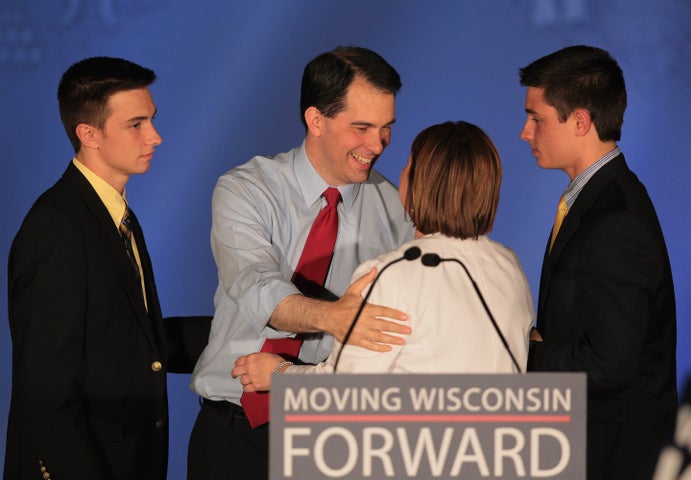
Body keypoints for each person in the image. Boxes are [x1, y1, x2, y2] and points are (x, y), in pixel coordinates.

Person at [187, 46, 415, 479]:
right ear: (316, 121)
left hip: (334, 438)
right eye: (362, 127)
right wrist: (337, 318)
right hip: (235, 434)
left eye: (386, 128)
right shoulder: (245, 190)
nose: (378, 145)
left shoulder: (398, 207)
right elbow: (257, 288)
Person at [232, 121, 534, 383]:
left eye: (408, 163)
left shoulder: (387, 274)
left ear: (420, 183)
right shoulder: (509, 266)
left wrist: (279, 374)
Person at [519, 45, 677, 479]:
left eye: (537, 118)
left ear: (581, 121)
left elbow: (610, 363)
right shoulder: (597, 199)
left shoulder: (617, 219)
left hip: (608, 457)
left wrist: (525, 353)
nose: (525, 133)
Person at [5, 57, 168, 479]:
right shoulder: (56, 227)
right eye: (137, 124)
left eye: (151, 120)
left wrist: (251, 330)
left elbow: (130, 340)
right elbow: (46, 391)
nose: (156, 136)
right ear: (88, 134)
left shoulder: (113, 215)